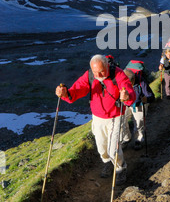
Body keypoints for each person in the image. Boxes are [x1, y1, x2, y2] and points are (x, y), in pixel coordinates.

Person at [55, 54, 136, 185]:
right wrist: (65, 93)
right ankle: (107, 162)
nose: (98, 74)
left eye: (101, 71)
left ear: (107, 66)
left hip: (115, 116)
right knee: (102, 148)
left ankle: (121, 168)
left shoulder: (118, 74)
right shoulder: (90, 75)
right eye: (95, 71)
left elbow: (128, 90)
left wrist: (126, 96)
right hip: (98, 117)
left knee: (112, 149)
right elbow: (78, 89)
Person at [122, 69, 155, 150]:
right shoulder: (122, 81)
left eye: (130, 83)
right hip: (126, 104)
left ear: (133, 79)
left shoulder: (141, 82)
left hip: (139, 105)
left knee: (139, 123)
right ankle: (126, 138)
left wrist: (146, 99)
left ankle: (138, 140)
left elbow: (152, 97)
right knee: (122, 120)